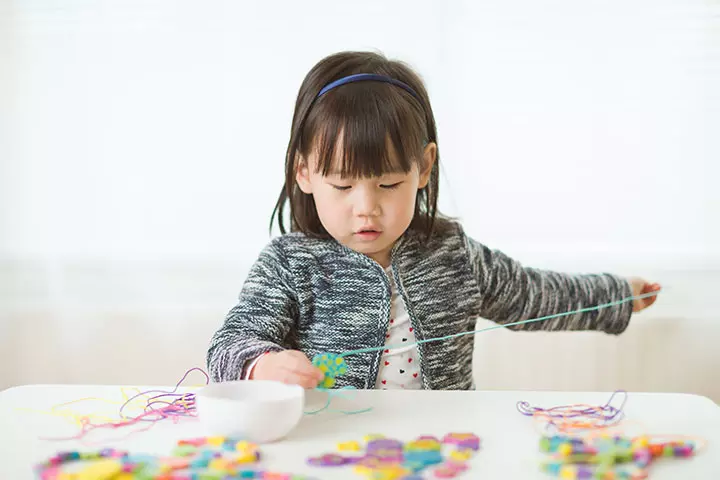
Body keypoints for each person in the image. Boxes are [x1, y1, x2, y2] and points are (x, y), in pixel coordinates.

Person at [206, 51, 660, 391]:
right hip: (334, 455)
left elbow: (532, 295)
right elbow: (230, 343)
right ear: (304, 172)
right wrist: (261, 364)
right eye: (343, 187)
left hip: (448, 451)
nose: (366, 207)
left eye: (387, 184)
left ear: (423, 168)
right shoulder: (289, 263)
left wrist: (616, 293)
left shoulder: (452, 253)